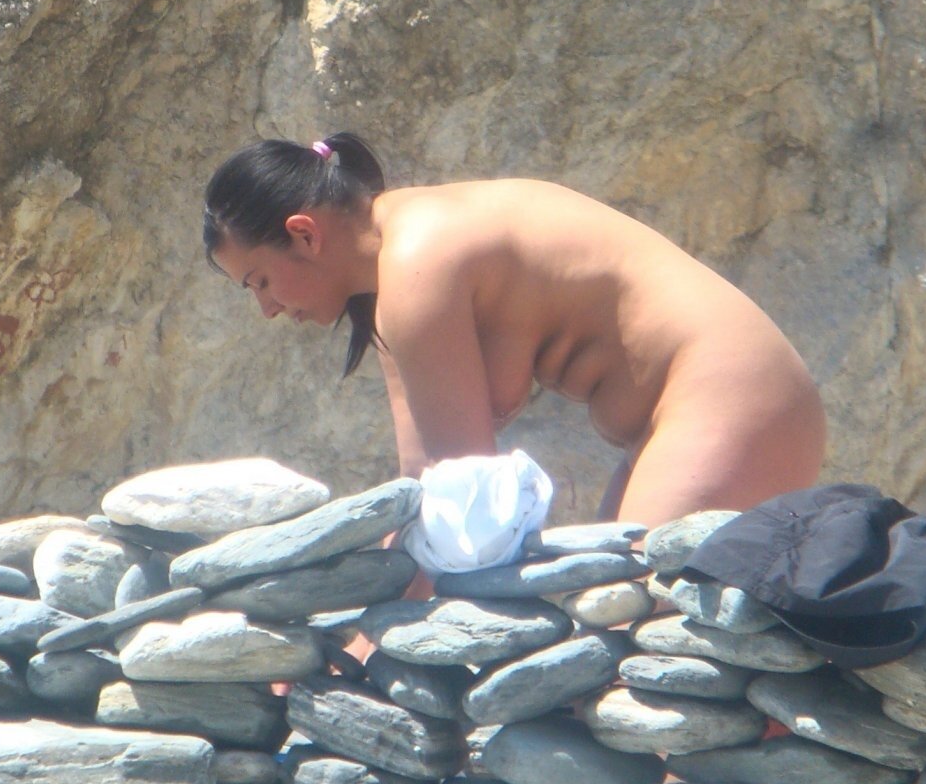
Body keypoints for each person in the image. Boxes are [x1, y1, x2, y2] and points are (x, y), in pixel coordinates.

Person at [202, 133, 826, 528]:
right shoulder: (397, 276)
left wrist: (368, 645)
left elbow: (467, 497)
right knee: (609, 630)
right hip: (712, 408)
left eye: (259, 281)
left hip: (731, 395)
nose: (267, 310)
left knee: (629, 631)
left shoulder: (419, 265)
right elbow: (424, 482)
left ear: (305, 234)